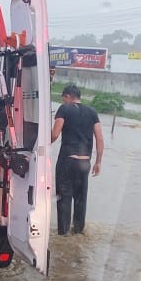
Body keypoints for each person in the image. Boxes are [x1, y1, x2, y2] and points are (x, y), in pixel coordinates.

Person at [51, 84, 104, 236]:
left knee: (64, 198)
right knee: (81, 199)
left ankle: (63, 234)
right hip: (84, 163)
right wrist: (98, 162)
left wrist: (39, 144)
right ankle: (79, 232)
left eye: (64, 98)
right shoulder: (92, 112)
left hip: (68, 161)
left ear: (67, 96)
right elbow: (99, 138)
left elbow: (54, 135)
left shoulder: (64, 109)